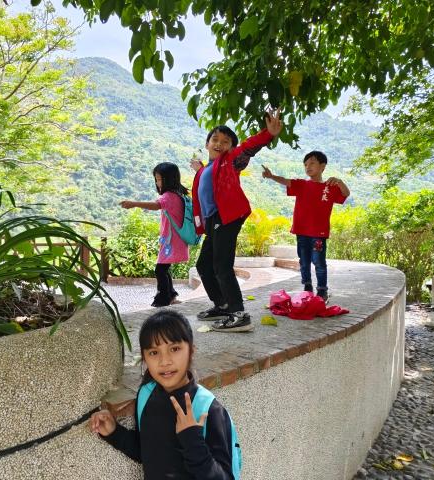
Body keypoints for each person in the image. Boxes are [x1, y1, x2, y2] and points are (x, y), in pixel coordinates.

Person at [89, 310, 236, 479]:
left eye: (175, 349)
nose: (165, 361)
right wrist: (114, 432)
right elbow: (147, 452)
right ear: (144, 358)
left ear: (191, 351)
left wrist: (192, 442)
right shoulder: (146, 395)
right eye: (154, 352)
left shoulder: (207, 409)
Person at [190, 109, 282, 332]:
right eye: (215, 139)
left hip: (227, 216)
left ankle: (238, 314)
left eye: (226, 142)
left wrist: (268, 134)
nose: (219, 144)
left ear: (231, 148)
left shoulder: (230, 161)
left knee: (222, 265)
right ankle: (222, 305)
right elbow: (207, 185)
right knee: (204, 265)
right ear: (207, 144)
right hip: (213, 220)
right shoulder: (207, 169)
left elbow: (247, 149)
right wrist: (199, 168)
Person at [262, 150, 350, 301]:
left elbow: (346, 194)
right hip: (301, 231)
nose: (308, 167)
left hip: (319, 233)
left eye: (312, 163)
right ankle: (307, 287)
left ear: (323, 166)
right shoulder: (302, 184)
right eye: (305, 164)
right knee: (304, 261)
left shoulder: (330, 187)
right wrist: (272, 176)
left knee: (319, 262)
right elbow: (286, 181)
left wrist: (340, 182)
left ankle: (322, 290)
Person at [120, 162, 189, 307]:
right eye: (156, 179)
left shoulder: (169, 196)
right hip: (172, 240)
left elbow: (156, 205)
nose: (157, 183)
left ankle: (163, 298)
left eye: (159, 179)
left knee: (160, 270)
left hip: (171, 241)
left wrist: (134, 203)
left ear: (168, 179)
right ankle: (170, 295)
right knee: (163, 268)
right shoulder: (178, 194)